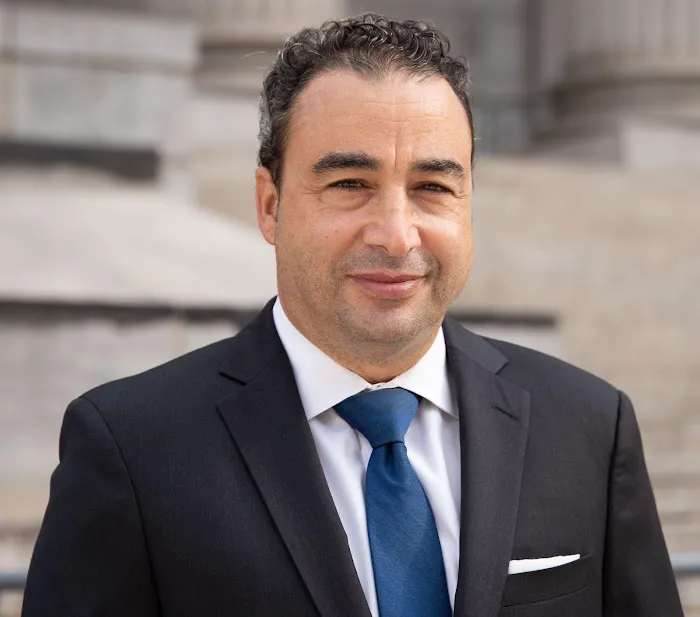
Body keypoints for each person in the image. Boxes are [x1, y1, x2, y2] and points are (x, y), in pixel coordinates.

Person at [23, 13, 683, 617]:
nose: (396, 235)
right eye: (349, 184)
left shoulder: (591, 427)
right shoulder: (131, 451)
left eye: (432, 187)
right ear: (271, 206)